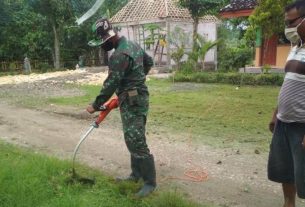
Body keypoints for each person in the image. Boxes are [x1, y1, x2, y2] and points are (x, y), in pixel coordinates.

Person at [86, 18, 156, 197]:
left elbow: (110, 84)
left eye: (103, 42)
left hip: (134, 100)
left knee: (135, 139)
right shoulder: (133, 45)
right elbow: (148, 63)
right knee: (131, 136)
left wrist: (95, 105)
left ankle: (149, 182)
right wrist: (137, 80)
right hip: (135, 97)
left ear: (110, 38)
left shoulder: (119, 55)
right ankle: (136, 174)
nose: (103, 46)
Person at [268, 1, 305, 206]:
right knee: (285, 171)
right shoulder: (296, 47)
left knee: (303, 175)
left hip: (302, 124)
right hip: (284, 122)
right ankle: (288, 204)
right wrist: (276, 113)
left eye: (292, 22)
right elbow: (287, 84)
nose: (288, 27)